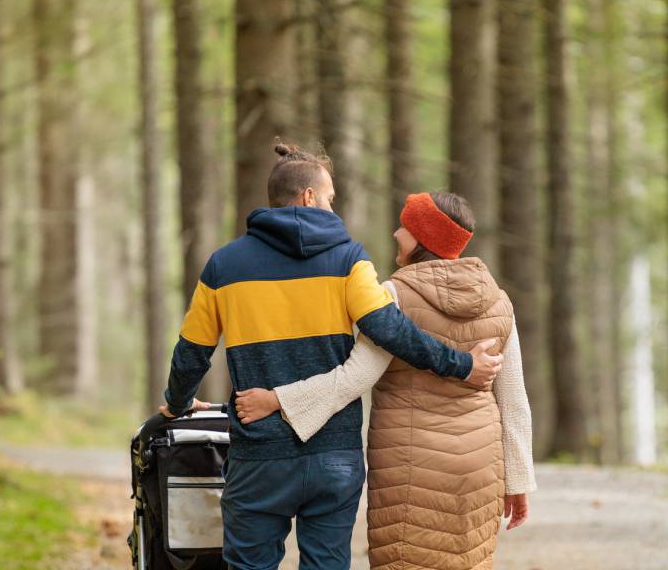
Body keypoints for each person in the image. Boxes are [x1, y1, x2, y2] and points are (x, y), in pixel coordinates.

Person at [160, 144, 503, 570]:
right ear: (308, 197)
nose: (332, 208)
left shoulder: (224, 267)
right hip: (333, 456)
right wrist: (461, 365)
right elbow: (390, 331)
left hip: (259, 455)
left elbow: (192, 353)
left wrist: (176, 404)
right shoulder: (349, 259)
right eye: (329, 198)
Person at [235, 191, 537, 570]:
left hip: (411, 466)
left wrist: (278, 400)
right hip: (480, 468)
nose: (396, 233)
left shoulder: (393, 296)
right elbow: (513, 399)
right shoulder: (499, 301)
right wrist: (518, 480)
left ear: (423, 238)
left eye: (406, 227)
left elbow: (354, 378)